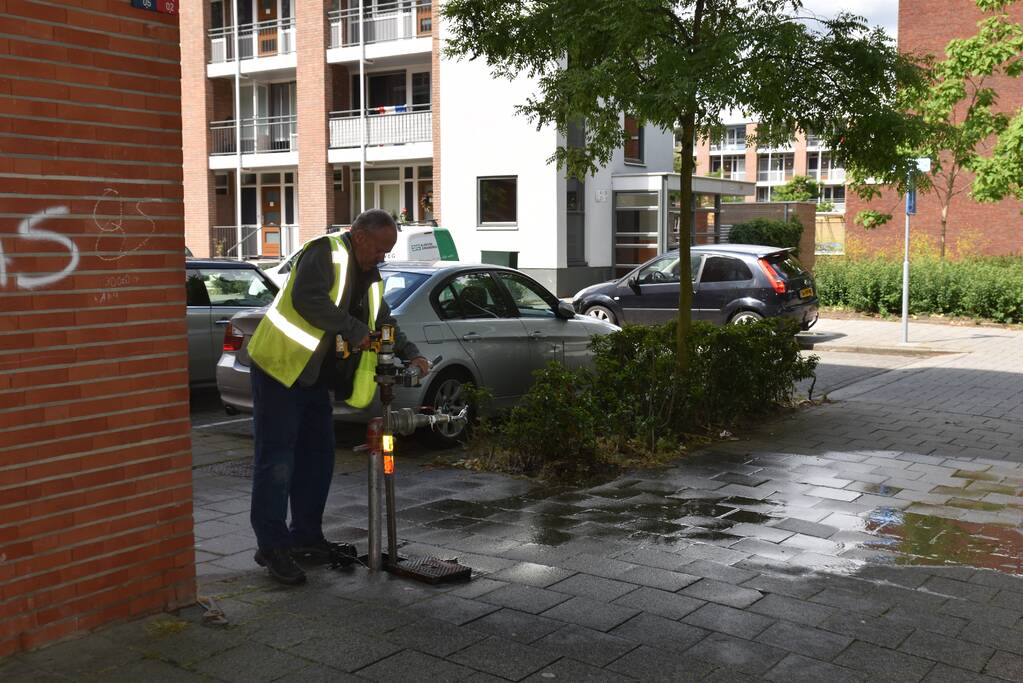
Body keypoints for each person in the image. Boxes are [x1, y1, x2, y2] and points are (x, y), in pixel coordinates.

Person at [245, 209, 429, 585]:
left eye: (387, 251)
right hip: (280, 369)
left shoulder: (371, 276)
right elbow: (307, 300)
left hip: (314, 379)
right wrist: (353, 328)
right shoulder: (323, 252)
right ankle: (272, 546)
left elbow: (383, 320)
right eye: (380, 248)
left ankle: (306, 538)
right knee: (277, 462)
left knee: (318, 458)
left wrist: (412, 352)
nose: (383, 257)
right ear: (360, 236)